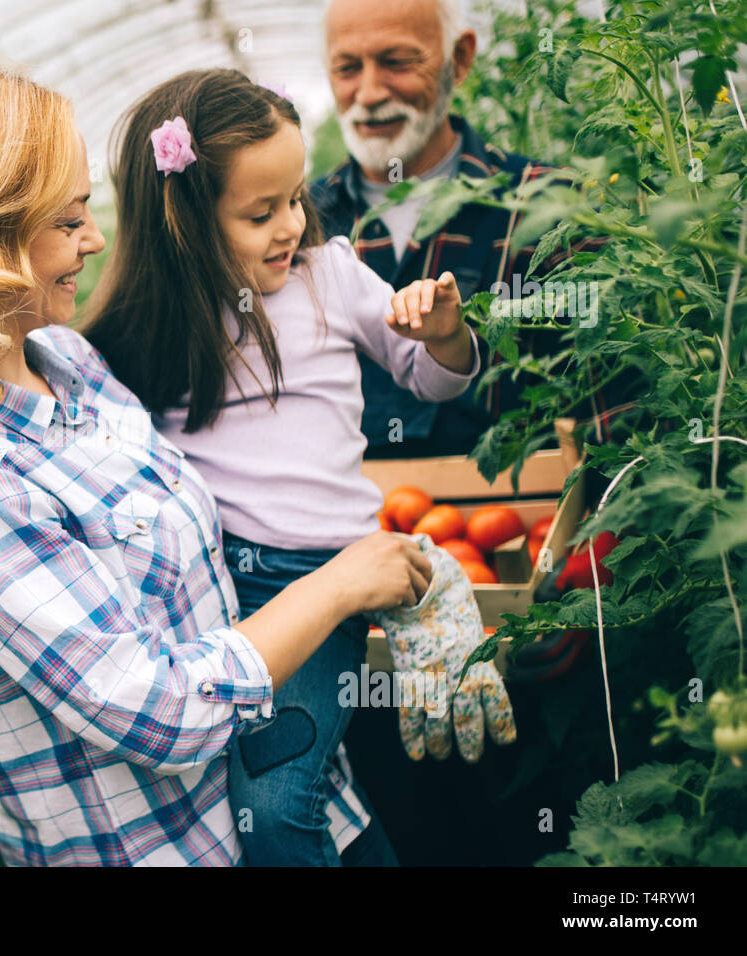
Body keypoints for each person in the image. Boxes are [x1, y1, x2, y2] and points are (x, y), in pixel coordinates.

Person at [0, 60, 436, 866]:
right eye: (69, 219)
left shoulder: (70, 361)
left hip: (313, 811)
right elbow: (156, 710)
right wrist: (336, 585)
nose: (94, 239)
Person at [80, 68, 514, 866]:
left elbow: (428, 375)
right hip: (208, 600)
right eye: (259, 212)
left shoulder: (331, 278)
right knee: (301, 813)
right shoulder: (146, 328)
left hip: (320, 589)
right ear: (184, 223)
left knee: (278, 812)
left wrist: (444, 332)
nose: (290, 226)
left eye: (295, 200)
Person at [313, 0, 621, 459]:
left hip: (514, 523)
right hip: (340, 527)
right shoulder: (301, 226)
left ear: (459, 59)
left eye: (397, 62)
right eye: (347, 68)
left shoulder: (550, 206)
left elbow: (610, 412)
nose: (370, 92)